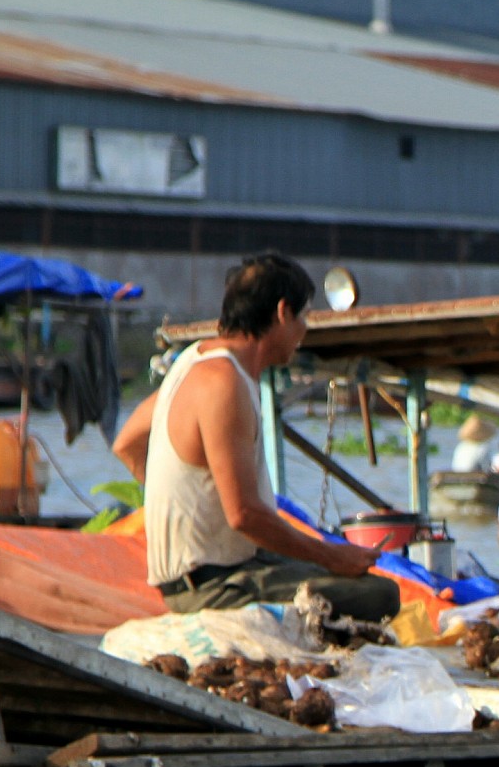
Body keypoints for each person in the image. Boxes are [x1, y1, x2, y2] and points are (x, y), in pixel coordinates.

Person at [112, 252, 396, 620]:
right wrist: (332, 554)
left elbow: (126, 444)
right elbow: (245, 515)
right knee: (381, 595)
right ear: (282, 313)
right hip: (215, 585)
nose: (304, 330)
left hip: (225, 565)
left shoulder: (193, 360)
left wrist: (186, 507)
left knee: (342, 574)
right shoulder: (224, 384)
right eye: (304, 316)